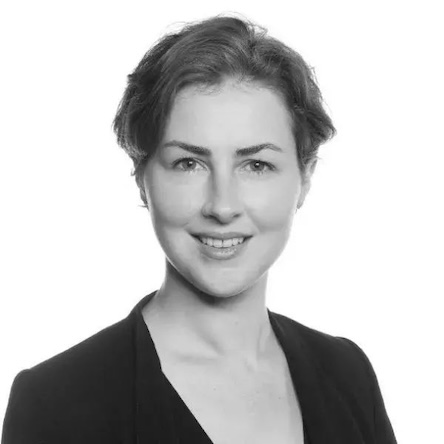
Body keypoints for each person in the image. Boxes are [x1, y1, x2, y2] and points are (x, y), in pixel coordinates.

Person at [2, 14, 397, 444]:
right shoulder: (55, 404)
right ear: (142, 176)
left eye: (257, 165)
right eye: (188, 163)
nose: (222, 206)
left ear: (305, 177)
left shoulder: (348, 374)